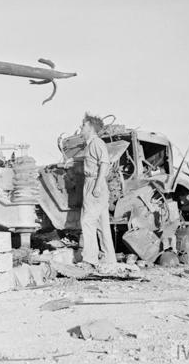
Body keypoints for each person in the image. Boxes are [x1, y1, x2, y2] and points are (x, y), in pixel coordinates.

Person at [79, 113, 117, 269]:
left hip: (94, 183)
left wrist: (97, 185)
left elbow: (105, 163)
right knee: (102, 224)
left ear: (90, 127)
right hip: (94, 183)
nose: (81, 128)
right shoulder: (91, 144)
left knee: (87, 221)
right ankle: (109, 259)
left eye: (83, 125)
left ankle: (90, 260)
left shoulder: (96, 142)